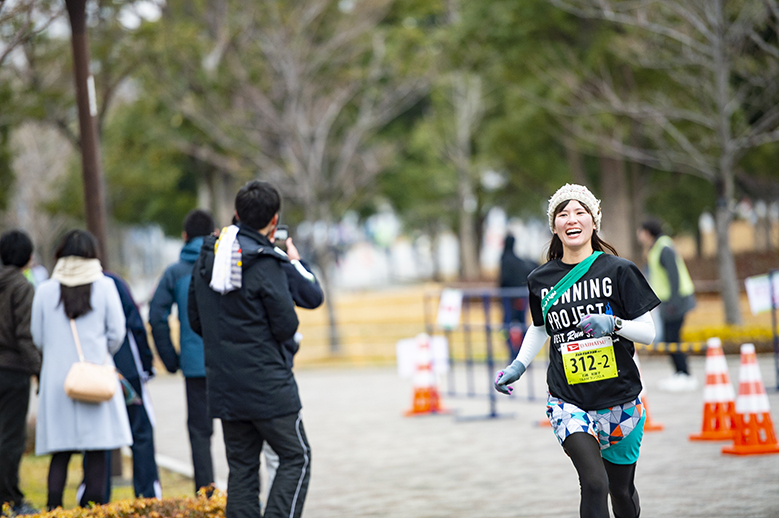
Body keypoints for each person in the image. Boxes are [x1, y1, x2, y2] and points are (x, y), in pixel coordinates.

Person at [495, 184, 660, 518]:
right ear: (555, 225)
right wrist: (519, 364)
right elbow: (540, 326)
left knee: (622, 492)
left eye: (580, 211)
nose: (572, 219)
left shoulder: (619, 270)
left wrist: (612, 323)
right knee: (594, 482)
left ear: (594, 221)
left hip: (620, 399)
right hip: (568, 400)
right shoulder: (540, 279)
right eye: (563, 213)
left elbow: (649, 333)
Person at [188, 180, 311, 518]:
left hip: (225, 386)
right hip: (269, 386)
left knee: (241, 471)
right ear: (274, 220)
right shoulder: (266, 261)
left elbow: (196, 321)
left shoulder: (208, 258)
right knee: (296, 457)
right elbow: (287, 325)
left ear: (237, 214)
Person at [31, 230, 132, 509]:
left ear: (60, 254)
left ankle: (53, 509)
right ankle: (93, 510)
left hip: (58, 381)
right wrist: (97, 354)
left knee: (60, 452)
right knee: (98, 450)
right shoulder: (105, 286)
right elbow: (117, 333)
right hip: (95, 378)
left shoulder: (45, 290)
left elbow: (37, 337)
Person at [149, 209, 216, 495]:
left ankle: (206, 497)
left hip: (194, 365)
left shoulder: (175, 273)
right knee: (244, 431)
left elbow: (156, 316)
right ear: (214, 234)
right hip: (231, 363)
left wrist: (171, 360)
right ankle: (246, 498)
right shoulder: (227, 264)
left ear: (184, 236)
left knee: (200, 433)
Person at [104, 272, 161, 499]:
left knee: (97, 436)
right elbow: (135, 325)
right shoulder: (112, 283)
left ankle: (94, 497)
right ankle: (147, 495)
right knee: (141, 431)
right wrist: (146, 363)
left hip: (88, 373)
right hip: (126, 371)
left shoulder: (55, 287)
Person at [0, 231, 41, 516]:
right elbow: (26, 336)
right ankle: (10, 499)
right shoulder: (22, 287)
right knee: (11, 439)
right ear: (27, 257)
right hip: (13, 372)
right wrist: (40, 370)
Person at [637, 219, 697, 392]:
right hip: (668, 301)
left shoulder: (664, 248)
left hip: (676, 301)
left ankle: (684, 374)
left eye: (640, 231)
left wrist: (673, 304)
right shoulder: (655, 248)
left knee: (673, 338)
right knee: (671, 338)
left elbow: (674, 277)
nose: (639, 235)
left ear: (647, 232)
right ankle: (680, 372)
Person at [499, 233, 537, 361]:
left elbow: (504, 279)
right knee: (521, 325)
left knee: (507, 325)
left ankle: (513, 352)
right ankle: (523, 354)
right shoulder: (518, 260)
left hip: (508, 298)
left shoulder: (505, 259)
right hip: (520, 296)